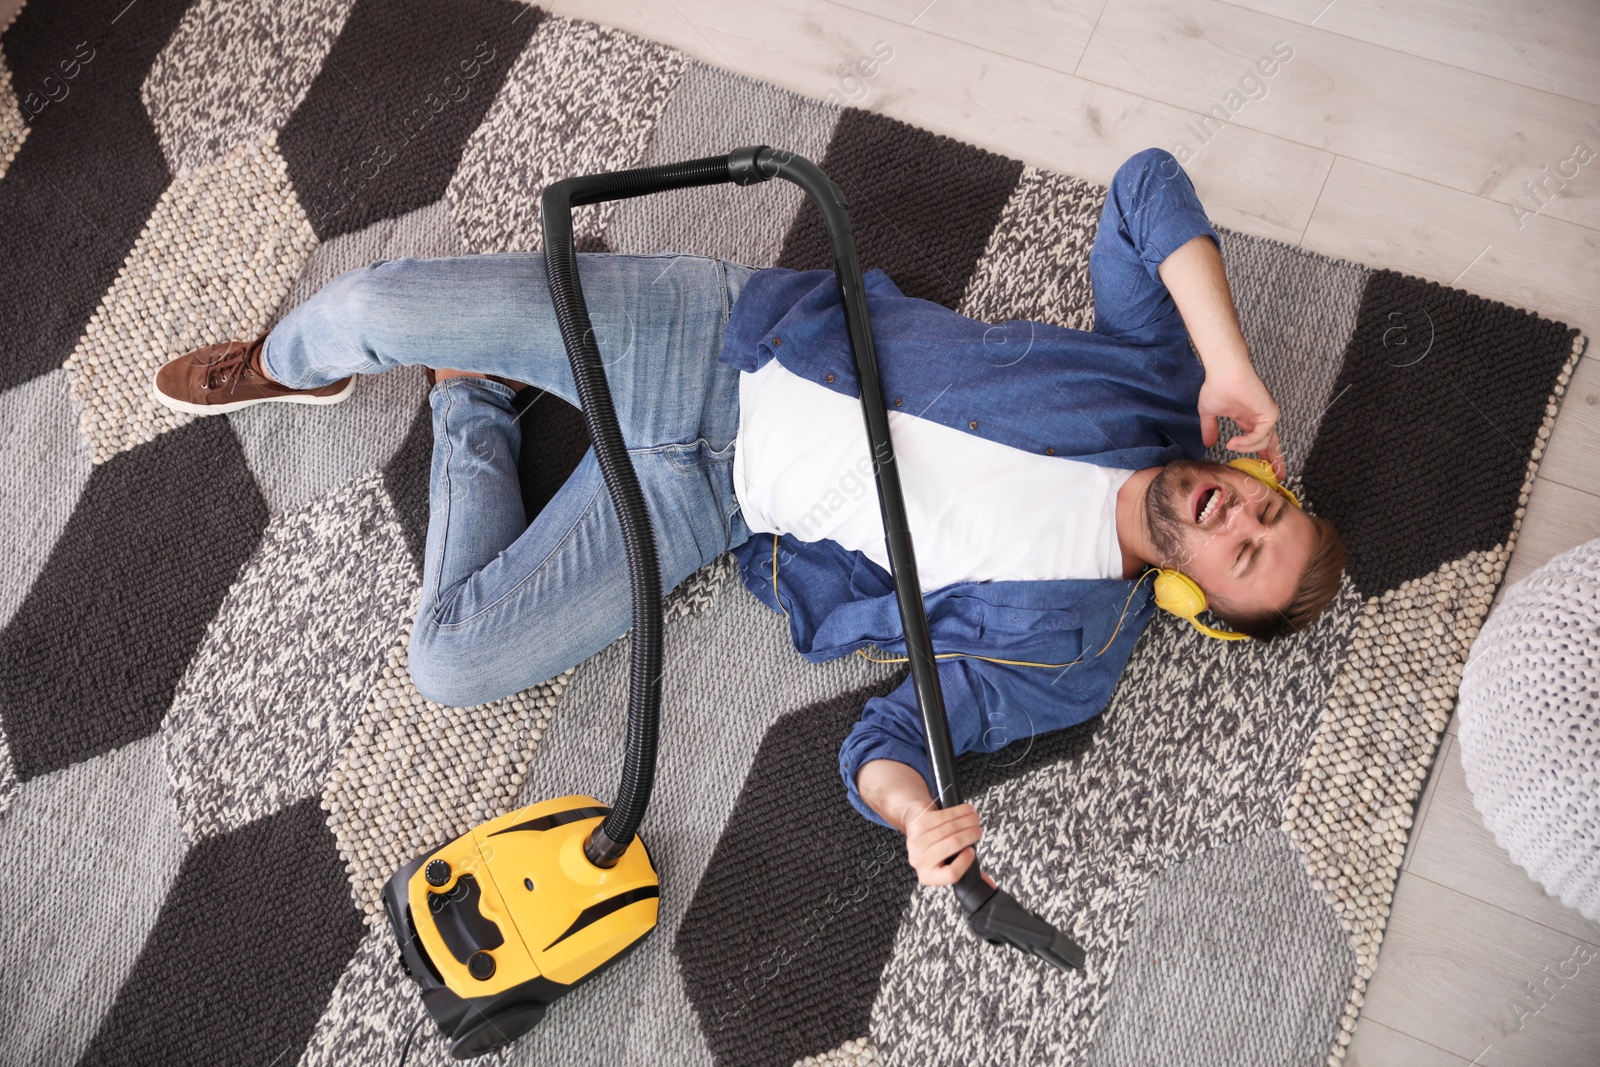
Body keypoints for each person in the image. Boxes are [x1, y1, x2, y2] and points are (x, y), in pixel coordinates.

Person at [151, 148, 1346, 889]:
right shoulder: (1158, 389)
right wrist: (1229, 365)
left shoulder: (1070, 654)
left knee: (453, 659)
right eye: (1265, 508)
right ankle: (287, 359)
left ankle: (477, 398)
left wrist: (917, 815)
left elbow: (882, 744)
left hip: (712, 501)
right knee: (368, 303)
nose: (1236, 513)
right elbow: (1144, 186)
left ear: (1205, 609)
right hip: (717, 341)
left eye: (1245, 556)